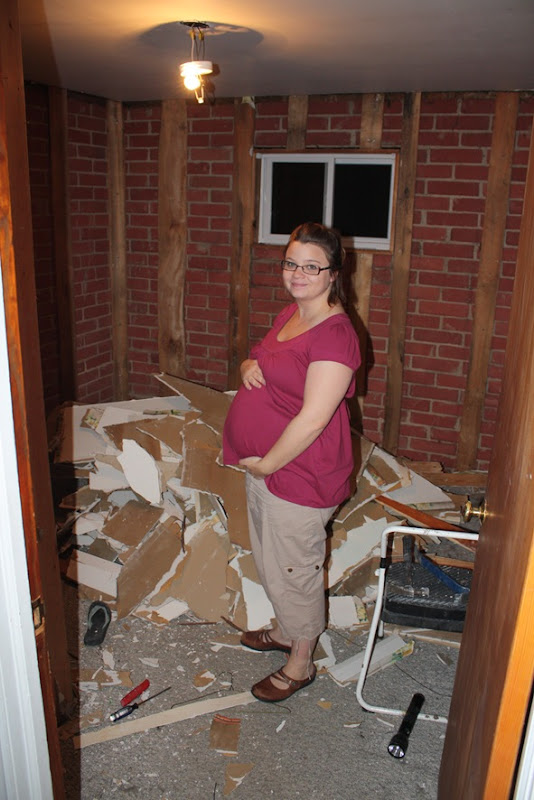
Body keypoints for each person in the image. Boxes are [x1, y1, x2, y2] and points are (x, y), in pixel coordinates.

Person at [223, 222, 361, 703]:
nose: (298, 274)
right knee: (271, 559)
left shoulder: (336, 336)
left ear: (333, 274)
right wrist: (248, 365)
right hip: (269, 467)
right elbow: (263, 356)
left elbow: (314, 419)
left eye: (311, 267)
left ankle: (300, 663)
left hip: (300, 473)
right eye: (291, 263)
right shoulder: (293, 313)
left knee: (295, 570)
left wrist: (266, 466)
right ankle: (285, 630)